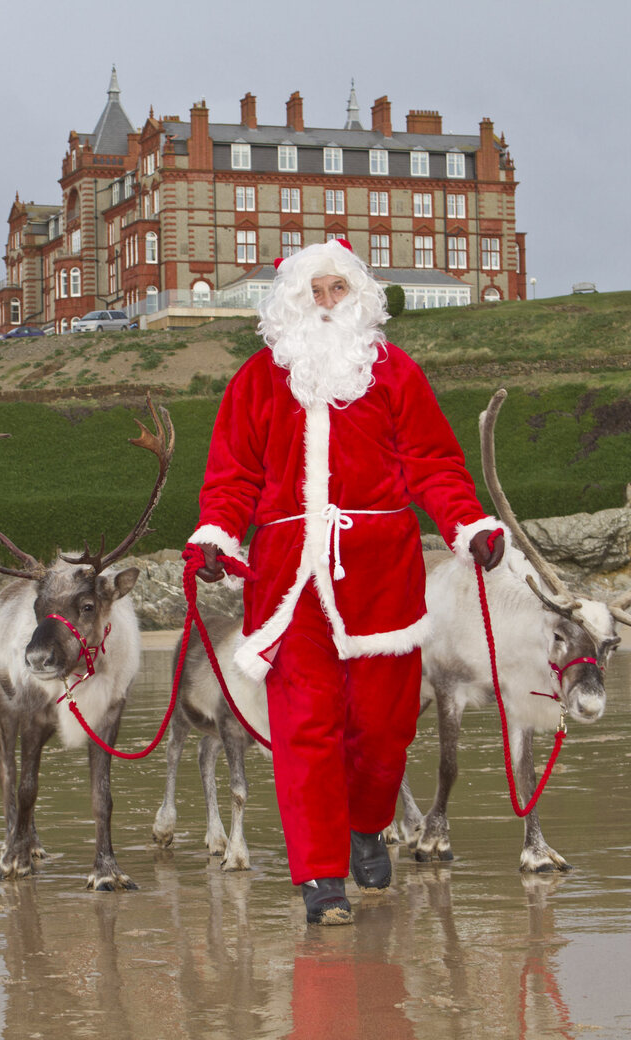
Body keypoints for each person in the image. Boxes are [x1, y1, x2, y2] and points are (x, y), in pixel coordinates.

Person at [188, 239, 505, 925]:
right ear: (290, 304)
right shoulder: (257, 380)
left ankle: (368, 823)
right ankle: (321, 877)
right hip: (287, 579)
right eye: (315, 293)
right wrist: (217, 534)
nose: (327, 304)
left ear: (360, 297)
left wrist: (466, 523)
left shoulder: (395, 373)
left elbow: (433, 463)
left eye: (339, 290)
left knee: (385, 729)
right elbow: (233, 476)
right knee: (306, 729)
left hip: (382, 577)